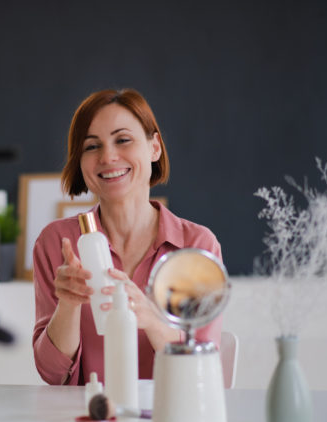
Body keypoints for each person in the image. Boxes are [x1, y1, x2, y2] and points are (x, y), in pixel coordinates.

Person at [32, 88, 222, 385]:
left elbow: (203, 372)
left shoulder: (195, 246)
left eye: (123, 140)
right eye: (92, 146)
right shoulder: (56, 243)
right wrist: (67, 305)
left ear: (154, 147)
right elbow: (52, 375)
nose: (108, 156)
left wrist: (151, 319)